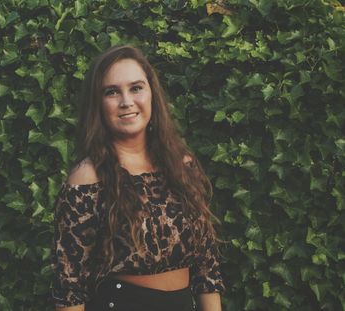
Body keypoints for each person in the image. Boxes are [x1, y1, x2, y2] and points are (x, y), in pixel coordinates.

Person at [50, 44, 225, 311]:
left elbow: (207, 268)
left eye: (136, 88)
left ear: (151, 94)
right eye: (112, 92)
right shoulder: (88, 177)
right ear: (98, 105)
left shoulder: (182, 165)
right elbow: (70, 288)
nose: (126, 101)